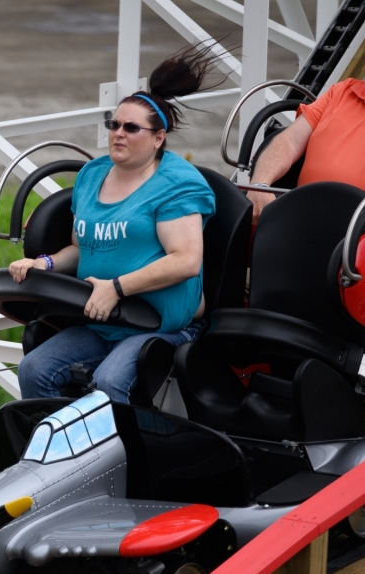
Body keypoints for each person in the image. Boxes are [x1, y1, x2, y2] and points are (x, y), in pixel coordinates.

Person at [12, 46, 220, 403]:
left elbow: (186, 260)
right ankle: (57, 453)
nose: (118, 133)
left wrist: (117, 288)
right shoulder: (92, 175)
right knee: (34, 369)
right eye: (114, 124)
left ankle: (128, 458)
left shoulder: (177, 184)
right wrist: (42, 263)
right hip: (105, 319)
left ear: (158, 138)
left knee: (109, 383)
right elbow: (80, 250)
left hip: (162, 323)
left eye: (131, 128)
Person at [247, 22, 365, 250]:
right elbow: (289, 140)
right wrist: (260, 185)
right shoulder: (342, 91)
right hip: (304, 224)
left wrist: (335, 220)